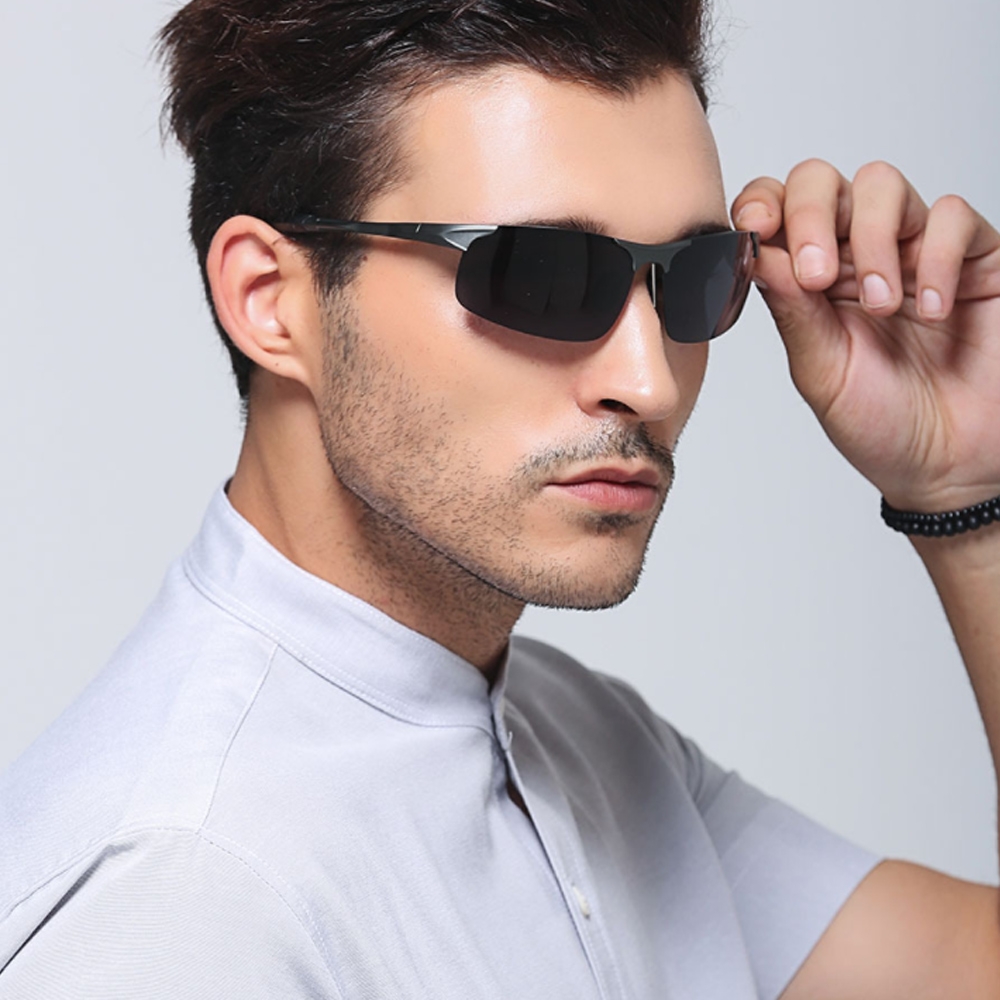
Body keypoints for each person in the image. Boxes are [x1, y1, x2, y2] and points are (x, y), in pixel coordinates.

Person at [1, 0, 998, 996]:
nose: (648, 380)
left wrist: (969, 492)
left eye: (693, 277)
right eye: (541, 275)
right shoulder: (183, 895)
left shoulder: (580, 737)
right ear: (271, 299)